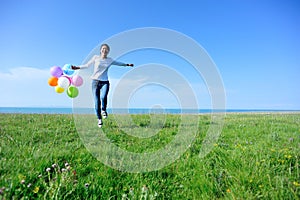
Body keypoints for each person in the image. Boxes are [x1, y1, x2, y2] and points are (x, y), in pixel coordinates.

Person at [72, 44, 134, 128]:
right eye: (103, 49)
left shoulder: (110, 60)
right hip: (95, 82)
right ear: (100, 50)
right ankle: (99, 119)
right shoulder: (95, 58)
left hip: (105, 82)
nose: (104, 50)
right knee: (97, 102)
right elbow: (87, 65)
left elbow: (118, 63)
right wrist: (77, 67)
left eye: (106, 49)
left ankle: (104, 110)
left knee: (103, 96)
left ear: (108, 51)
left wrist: (127, 65)